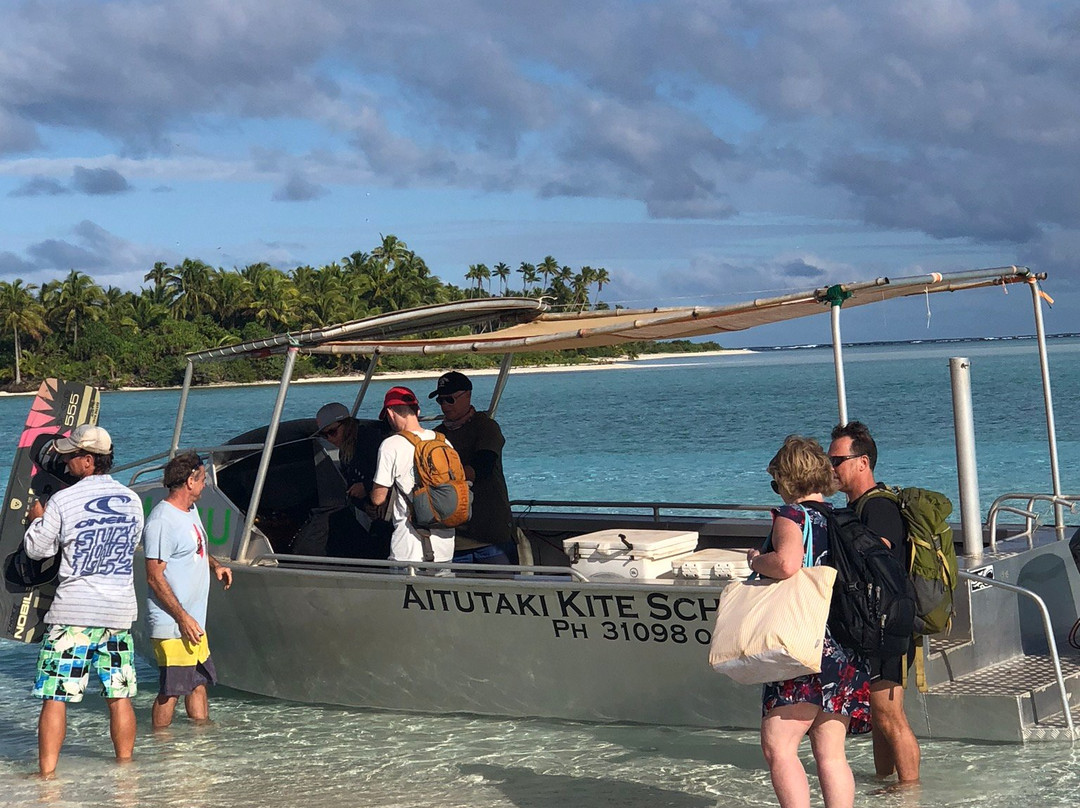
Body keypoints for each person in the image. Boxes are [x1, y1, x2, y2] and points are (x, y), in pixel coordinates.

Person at [747, 435, 871, 808]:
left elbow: (786, 564)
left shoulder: (793, 516)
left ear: (788, 480)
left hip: (804, 645)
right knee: (831, 754)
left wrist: (755, 560)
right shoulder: (841, 518)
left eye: (776, 482)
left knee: (778, 746)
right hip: (846, 650)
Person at [22, 424, 144, 777]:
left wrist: (36, 521)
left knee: (55, 696)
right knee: (119, 695)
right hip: (119, 613)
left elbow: (37, 549)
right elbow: (130, 546)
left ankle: (46, 777)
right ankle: (125, 773)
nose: (65, 462)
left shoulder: (63, 500)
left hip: (74, 613)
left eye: (71, 456)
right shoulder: (133, 500)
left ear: (88, 461)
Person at [829, 421, 921, 784]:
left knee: (889, 713)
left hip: (889, 624)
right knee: (878, 713)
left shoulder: (879, 507)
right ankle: (886, 786)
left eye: (837, 460)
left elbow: (878, 554)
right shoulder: (858, 507)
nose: (830, 468)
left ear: (863, 462)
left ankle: (911, 792)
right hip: (874, 625)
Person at [143, 452, 233, 729]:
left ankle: (201, 747)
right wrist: (182, 618)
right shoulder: (162, 521)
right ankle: (161, 749)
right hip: (174, 625)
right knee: (171, 691)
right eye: (203, 479)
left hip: (194, 622)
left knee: (198, 683)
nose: (205, 485)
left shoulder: (190, 511)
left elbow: (196, 547)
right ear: (189, 481)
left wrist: (215, 565)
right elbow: (154, 578)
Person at [429, 371, 514, 565]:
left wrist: (445, 479)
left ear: (467, 395)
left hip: (491, 534)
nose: (444, 406)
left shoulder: (486, 427)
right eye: (440, 401)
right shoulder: (436, 435)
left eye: (449, 399)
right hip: (453, 538)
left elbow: (483, 465)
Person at [368, 386, 455, 563]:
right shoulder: (442, 440)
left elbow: (378, 499)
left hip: (408, 548)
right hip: (445, 547)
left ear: (391, 414)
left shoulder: (391, 445)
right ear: (418, 410)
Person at [314, 402, 385, 506]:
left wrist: (366, 487)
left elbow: (391, 472)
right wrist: (365, 506)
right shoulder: (344, 453)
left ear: (347, 424)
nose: (329, 439)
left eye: (332, 432)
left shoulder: (371, 440)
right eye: (324, 435)